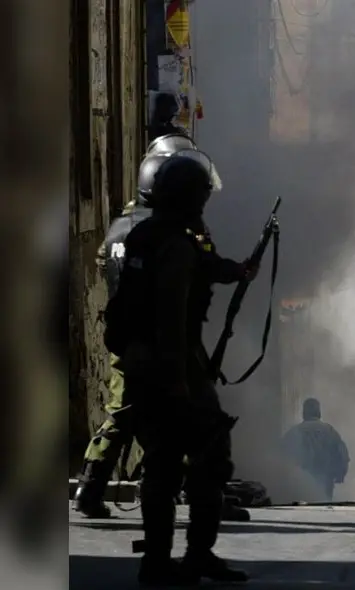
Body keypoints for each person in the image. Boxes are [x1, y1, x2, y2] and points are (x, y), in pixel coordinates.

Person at [73, 137, 249, 521]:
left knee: (125, 412)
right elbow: (186, 282)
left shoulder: (125, 228)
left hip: (131, 339)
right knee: (189, 422)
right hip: (168, 343)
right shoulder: (171, 234)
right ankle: (199, 498)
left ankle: (92, 485)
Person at [113, 149, 248, 585]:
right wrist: (178, 384)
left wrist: (236, 271)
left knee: (163, 462)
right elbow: (170, 316)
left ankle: (159, 560)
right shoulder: (176, 244)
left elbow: (205, 267)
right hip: (171, 366)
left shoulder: (150, 234)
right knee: (205, 456)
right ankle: (191, 556)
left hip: (145, 364)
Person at [280, 398, 350, 502]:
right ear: (319, 412)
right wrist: (340, 474)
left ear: (304, 412)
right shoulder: (329, 431)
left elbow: (283, 456)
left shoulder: (294, 432)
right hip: (325, 479)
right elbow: (342, 454)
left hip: (301, 481)